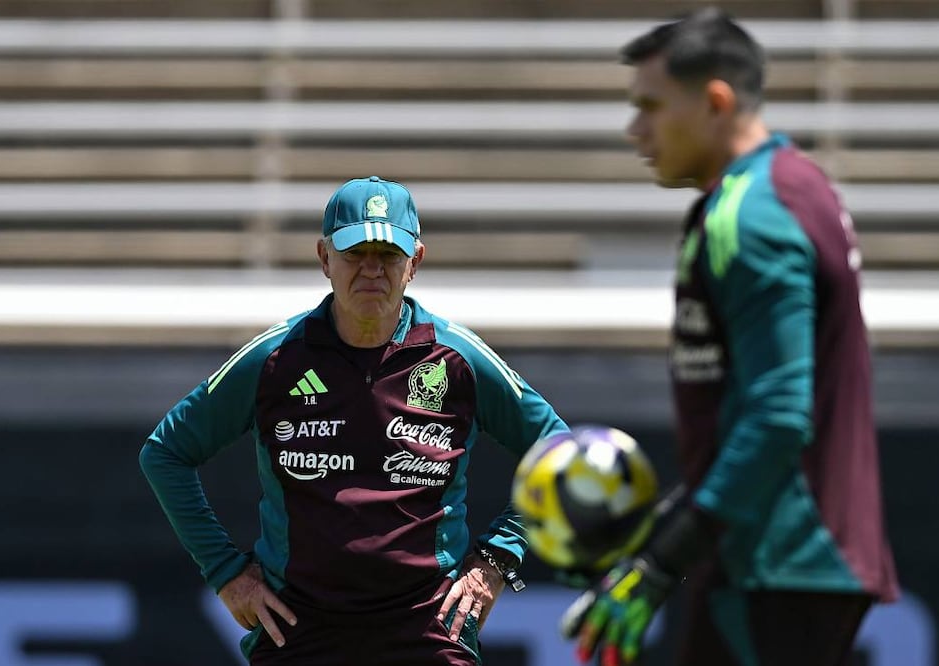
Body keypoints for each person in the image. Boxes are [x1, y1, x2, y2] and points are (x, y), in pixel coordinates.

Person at [562, 10, 900, 666]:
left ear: (716, 102)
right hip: (779, 554)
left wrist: (668, 556)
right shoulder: (794, 186)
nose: (636, 130)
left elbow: (777, 415)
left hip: (778, 556)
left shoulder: (752, 214)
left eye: (651, 107)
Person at [140, 176, 569, 665]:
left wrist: (495, 559)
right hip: (297, 627)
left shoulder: (457, 359)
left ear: (415, 263)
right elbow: (165, 453)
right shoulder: (276, 359)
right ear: (324, 258)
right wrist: (225, 571)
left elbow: (560, 455)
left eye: (387, 256)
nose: (371, 270)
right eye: (354, 252)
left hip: (428, 625)